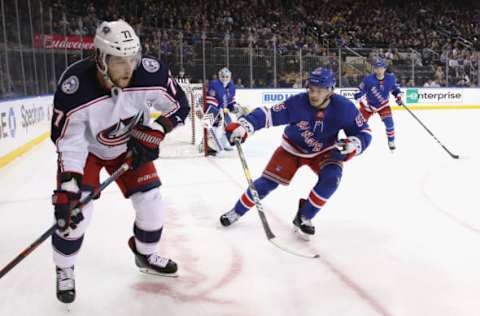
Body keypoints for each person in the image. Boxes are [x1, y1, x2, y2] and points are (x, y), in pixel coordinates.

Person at [50, 19, 190, 304]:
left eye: (132, 59)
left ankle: (144, 254)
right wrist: (68, 186)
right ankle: (64, 269)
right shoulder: (75, 88)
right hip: (88, 153)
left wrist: (157, 130)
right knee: (75, 219)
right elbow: (69, 142)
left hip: (129, 147)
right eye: (118, 61)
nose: (128, 69)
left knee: (152, 204)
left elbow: (180, 106)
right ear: (101, 59)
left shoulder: (149, 75)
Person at [219, 68, 372, 239]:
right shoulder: (297, 103)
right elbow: (268, 115)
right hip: (292, 149)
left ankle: (304, 216)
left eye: (320, 91)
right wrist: (246, 126)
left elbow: (364, 132)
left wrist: (354, 144)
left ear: (330, 90)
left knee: (331, 180)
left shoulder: (344, 108)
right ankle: (236, 211)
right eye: (311, 89)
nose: (314, 94)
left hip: (325, 151)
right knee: (266, 183)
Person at [354, 58, 403, 151]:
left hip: (383, 105)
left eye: (381, 68)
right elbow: (359, 91)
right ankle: (355, 141)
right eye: (377, 68)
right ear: (374, 69)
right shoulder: (368, 79)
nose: (379, 70)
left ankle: (391, 141)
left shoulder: (391, 78)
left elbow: (395, 90)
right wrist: (360, 98)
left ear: (384, 69)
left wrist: (398, 97)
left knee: (390, 123)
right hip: (369, 106)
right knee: (358, 124)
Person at [202, 67, 249, 156]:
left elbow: (230, 101)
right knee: (212, 125)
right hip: (213, 108)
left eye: (227, 77)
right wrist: (217, 111)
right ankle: (205, 145)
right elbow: (210, 99)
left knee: (229, 126)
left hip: (222, 109)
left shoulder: (232, 86)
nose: (225, 79)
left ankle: (222, 143)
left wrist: (236, 107)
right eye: (223, 76)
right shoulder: (214, 84)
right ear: (219, 76)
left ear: (230, 77)